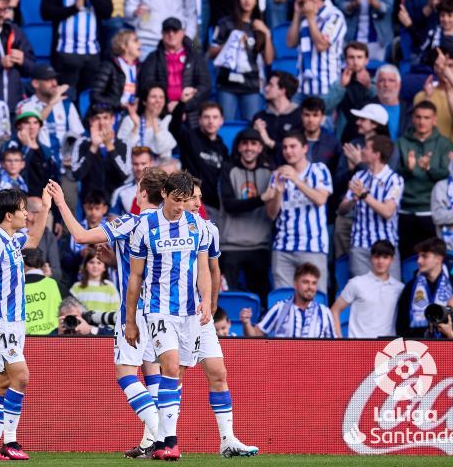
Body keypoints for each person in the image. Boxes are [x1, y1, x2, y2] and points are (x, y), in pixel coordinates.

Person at [46, 168, 164, 458]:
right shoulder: (170, 225)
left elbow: (80, 234)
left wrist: (61, 202)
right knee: (152, 374)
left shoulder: (130, 221)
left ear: (143, 193)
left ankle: (162, 434)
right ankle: (151, 442)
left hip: (134, 311)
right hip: (161, 311)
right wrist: (115, 262)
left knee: (125, 373)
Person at [124, 170, 209, 460]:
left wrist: (207, 301)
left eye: (186, 201)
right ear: (164, 194)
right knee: (170, 367)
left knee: (178, 374)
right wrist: (130, 320)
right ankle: (170, 442)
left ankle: (160, 440)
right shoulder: (145, 226)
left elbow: (204, 269)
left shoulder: (197, 225)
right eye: (176, 200)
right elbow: (135, 277)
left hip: (189, 311)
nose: (180, 207)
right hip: (158, 309)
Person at [182, 180, 260, 458]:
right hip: (174, 314)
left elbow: (214, 270)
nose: (197, 204)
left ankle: (228, 439)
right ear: (177, 198)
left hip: (200, 315)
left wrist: (212, 303)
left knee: (218, 373)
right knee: (173, 377)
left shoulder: (208, 229)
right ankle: (161, 439)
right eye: (192, 198)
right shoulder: (164, 227)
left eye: (199, 198)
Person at [0, 187, 53, 461]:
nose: (25, 214)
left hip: (14, 322)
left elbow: (33, 238)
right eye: (22, 210)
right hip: (0, 321)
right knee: (21, 376)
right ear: (8, 215)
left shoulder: (10, 239)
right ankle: (10, 440)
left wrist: (45, 207)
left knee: (4, 383)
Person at [41, 0, 113, 96]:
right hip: (65, 52)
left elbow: (107, 12)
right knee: (66, 97)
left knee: (91, 98)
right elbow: (45, 13)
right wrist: (74, 8)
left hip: (92, 52)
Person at [266, 131, 333, 291]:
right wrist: (279, 192)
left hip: (313, 247)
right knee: (282, 301)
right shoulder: (277, 175)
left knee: (315, 298)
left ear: (305, 148)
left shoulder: (319, 169)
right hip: (283, 247)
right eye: (285, 147)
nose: (288, 151)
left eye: (293, 146)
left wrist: (296, 180)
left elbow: (321, 199)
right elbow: (271, 214)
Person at [218, 129, 274, 301]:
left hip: (259, 246)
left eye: (254, 144)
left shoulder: (269, 172)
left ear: (260, 148)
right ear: (239, 147)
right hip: (230, 246)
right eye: (245, 143)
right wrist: (261, 199)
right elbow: (230, 205)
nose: (249, 148)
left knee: (261, 299)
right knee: (227, 299)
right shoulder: (228, 169)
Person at [396, 100, 453, 259]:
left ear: (434, 119)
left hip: (431, 211)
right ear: (412, 119)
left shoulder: (444, 144)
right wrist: (407, 169)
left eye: (427, 118)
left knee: (431, 259)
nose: (422, 121)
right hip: (405, 210)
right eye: (418, 117)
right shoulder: (402, 143)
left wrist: (429, 169)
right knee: (406, 259)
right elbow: (393, 175)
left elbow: (448, 176)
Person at [338, 136, 403, 278]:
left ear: (377, 154)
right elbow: (342, 210)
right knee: (362, 295)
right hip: (360, 247)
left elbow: (387, 211)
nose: (362, 151)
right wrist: (353, 200)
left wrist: (364, 195)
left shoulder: (394, 180)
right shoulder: (358, 177)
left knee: (390, 294)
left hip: (386, 247)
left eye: (367, 148)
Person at [210, 0, 272, 122]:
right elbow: (211, 52)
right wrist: (232, 41)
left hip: (251, 85)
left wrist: (266, 33)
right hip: (227, 84)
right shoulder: (225, 23)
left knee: (253, 127)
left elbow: (268, 60)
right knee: (223, 124)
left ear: (256, 0)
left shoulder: (259, 25)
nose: (247, 0)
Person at [396, 237, 453, 338]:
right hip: (418, 348)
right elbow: (402, 324)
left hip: (449, 345)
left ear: (438, 259)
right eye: (418, 257)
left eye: (424, 256)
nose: (419, 261)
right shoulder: (411, 287)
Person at [137, 17, 210, 127]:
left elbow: (205, 86)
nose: (171, 34)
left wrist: (183, 107)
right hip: (161, 114)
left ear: (182, 33)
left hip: (190, 115)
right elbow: (147, 85)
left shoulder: (195, 57)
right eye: (167, 31)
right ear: (162, 34)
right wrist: (166, 105)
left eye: (175, 31)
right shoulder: (152, 58)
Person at [286, 0, 347, 100]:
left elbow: (322, 45)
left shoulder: (334, 17)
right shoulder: (304, 14)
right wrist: (297, 14)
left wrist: (310, 19)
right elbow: (290, 43)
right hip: (302, 86)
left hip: (325, 88)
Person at [240, 263, 336, 338]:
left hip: (315, 362)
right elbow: (255, 335)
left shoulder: (325, 312)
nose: (310, 287)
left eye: (314, 283)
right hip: (283, 362)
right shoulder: (279, 308)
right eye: (306, 282)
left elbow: (334, 346)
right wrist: (246, 323)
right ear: (295, 284)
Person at [331, 240, 404, 338]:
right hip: (358, 347)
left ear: (392, 260)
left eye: (385, 257)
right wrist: (339, 339)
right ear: (371, 258)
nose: (380, 261)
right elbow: (334, 310)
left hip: (386, 349)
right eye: (377, 257)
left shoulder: (399, 288)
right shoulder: (356, 283)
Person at [14, 65, 85, 160]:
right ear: (35, 83)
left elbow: (78, 135)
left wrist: (71, 156)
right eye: (48, 80)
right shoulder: (24, 105)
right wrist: (52, 103)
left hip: (63, 165)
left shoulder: (67, 105)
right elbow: (35, 123)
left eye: (55, 79)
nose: (55, 84)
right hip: (36, 161)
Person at [172, 101, 228, 215]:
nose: (211, 121)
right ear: (200, 120)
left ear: (221, 121)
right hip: (190, 202)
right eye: (206, 117)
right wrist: (181, 104)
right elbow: (174, 127)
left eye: (215, 117)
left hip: (214, 206)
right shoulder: (189, 137)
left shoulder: (223, 149)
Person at [71, 103, 131, 199]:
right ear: (91, 121)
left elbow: (124, 175)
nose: (102, 122)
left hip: (114, 205)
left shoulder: (123, 144)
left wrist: (109, 146)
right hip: (90, 205)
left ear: (113, 119)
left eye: (105, 118)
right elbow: (76, 175)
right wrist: (94, 146)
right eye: (97, 118)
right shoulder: (82, 143)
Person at [118, 84, 175, 161]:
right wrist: (136, 127)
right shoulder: (130, 120)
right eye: (153, 97)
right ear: (144, 101)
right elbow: (122, 150)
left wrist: (155, 125)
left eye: (161, 97)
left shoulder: (165, 123)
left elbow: (163, 151)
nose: (158, 100)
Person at [251, 71, 302, 157]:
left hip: (290, 165)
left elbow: (298, 149)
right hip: (264, 165)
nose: (266, 88)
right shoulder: (260, 116)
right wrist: (254, 133)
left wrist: (269, 142)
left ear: (282, 91)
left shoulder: (299, 115)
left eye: (271, 85)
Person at [90, 29, 140, 112]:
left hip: (133, 113)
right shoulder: (109, 66)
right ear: (124, 46)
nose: (140, 43)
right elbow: (95, 95)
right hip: (112, 113)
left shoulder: (139, 67)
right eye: (135, 41)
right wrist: (119, 104)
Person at [22, 247, 65, 336]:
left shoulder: (16, 288)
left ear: (23, 264)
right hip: (52, 338)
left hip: (25, 340)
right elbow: (75, 308)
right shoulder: (54, 284)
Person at [70, 245, 120, 313]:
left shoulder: (110, 287)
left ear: (104, 267)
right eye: (91, 262)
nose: (95, 266)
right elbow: (71, 311)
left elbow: (115, 311)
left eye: (99, 263)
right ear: (85, 266)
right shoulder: (76, 287)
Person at [301, 97, 341, 174]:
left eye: (315, 115)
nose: (310, 120)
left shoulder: (333, 143)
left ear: (322, 117)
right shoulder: (292, 140)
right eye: (307, 115)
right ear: (301, 116)